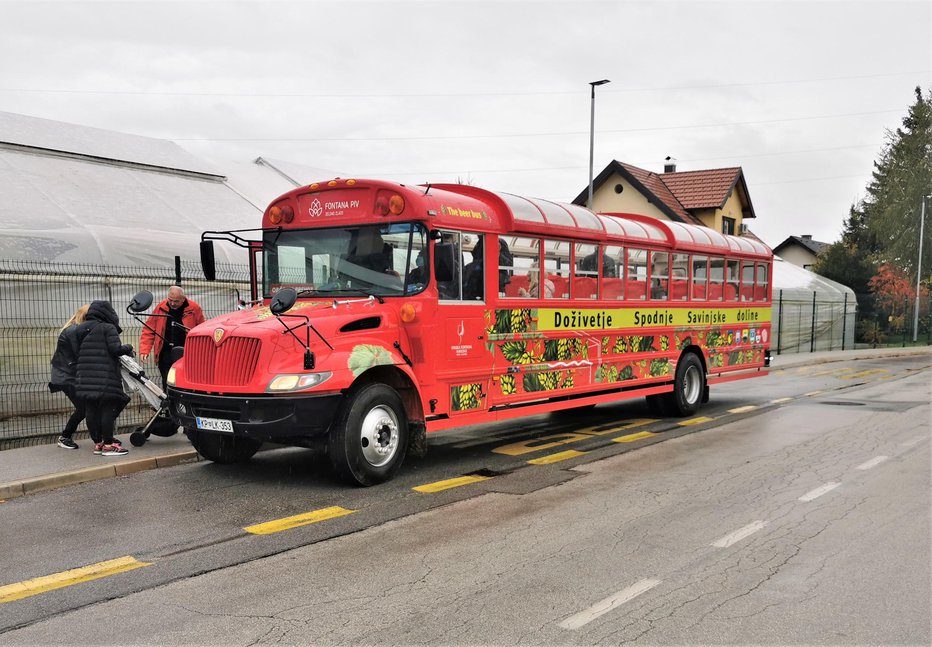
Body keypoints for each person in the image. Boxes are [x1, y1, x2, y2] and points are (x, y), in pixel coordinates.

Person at [74, 300, 133, 456]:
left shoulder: (80, 329)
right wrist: (129, 348)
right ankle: (108, 445)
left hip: (84, 375)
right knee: (107, 408)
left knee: (91, 410)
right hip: (104, 375)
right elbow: (115, 349)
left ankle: (98, 443)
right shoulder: (108, 328)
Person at [139, 286, 205, 388]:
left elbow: (202, 330)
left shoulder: (194, 308)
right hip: (165, 351)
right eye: (170, 300)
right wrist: (144, 350)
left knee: (184, 382)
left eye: (176, 301)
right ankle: (170, 402)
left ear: (183, 299)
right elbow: (149, 329)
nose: (173, 303)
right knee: (167, 381)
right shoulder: (161, 307)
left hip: (186, 353)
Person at [48, 304, 90, 449]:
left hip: (67, 375)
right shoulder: (73, 331)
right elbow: (80, 354)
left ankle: (101, 436)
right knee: (83, 407)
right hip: (66, 376)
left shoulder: (74, 329)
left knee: (85, 406)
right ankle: (65, 436)